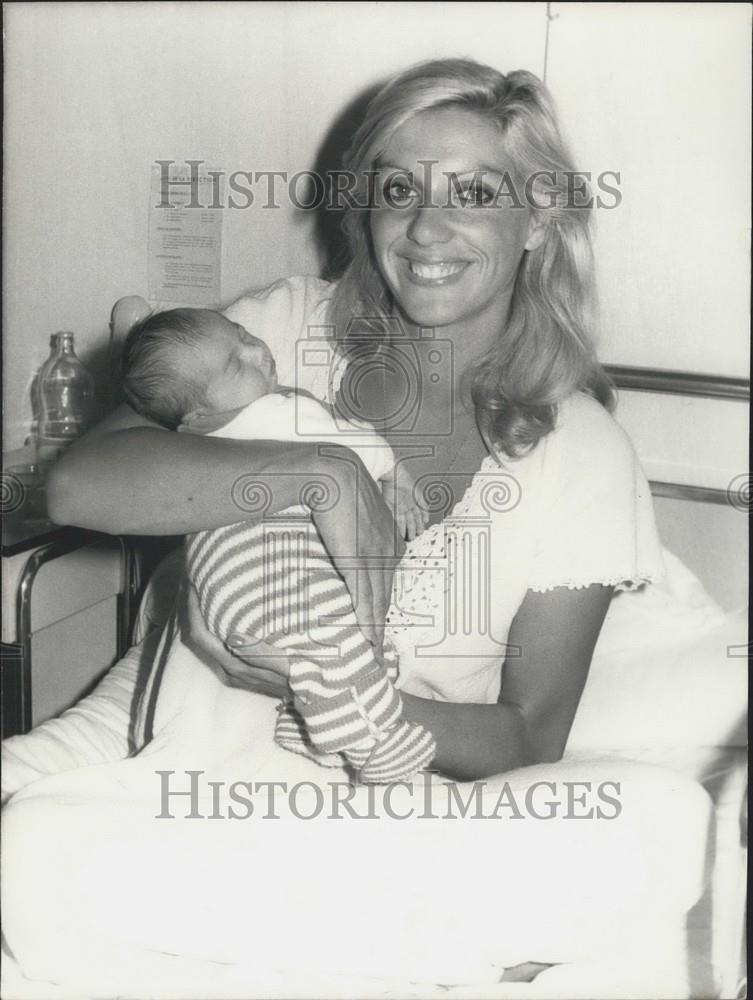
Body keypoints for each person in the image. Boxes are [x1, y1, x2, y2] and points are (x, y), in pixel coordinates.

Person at [3, 58, 725, 993]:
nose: (426, 229)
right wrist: (319, 473)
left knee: (658, 820)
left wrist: (343, 707)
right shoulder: (273, 334)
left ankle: (255, 937)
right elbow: (84, 486)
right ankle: (398, 956)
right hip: (171, 755)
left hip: (387, 801)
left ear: (538, 218)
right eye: (398, 191)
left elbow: (526, 738)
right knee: (26, 844)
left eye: (472, 192)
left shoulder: (578, 448)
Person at [120, 305, 435, 782]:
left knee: (326, 649)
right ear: (199, 412)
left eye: (243, 334)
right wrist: (396, 476)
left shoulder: (191, 443)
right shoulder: (274, 410)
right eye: (234, 364)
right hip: (277, 568)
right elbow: (347, 445)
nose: (255, 350)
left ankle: (306, 724)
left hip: (226, 585)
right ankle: (378, 743)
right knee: (344, 640)